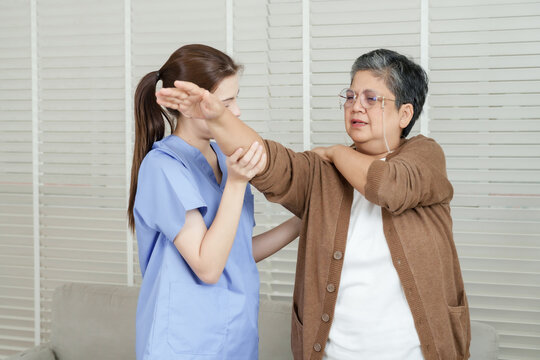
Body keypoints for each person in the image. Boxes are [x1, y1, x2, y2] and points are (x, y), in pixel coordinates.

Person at [156, 48, 471, 360]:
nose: (356, 106)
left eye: (371, 99)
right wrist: (217, 116)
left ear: (405, 113)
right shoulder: (322, 175)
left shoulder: (424, 157)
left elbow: (388, 186)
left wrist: (336, 152)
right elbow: (265, 161)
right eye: (350, 96)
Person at [128, 44, 301, 360]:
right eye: (226, 102)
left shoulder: (223, 157)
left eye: (236, 99)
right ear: (190, 105)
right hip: (182, 345)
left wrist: (302, 222)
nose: (235, 112)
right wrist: (236, 184)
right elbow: (208, 267)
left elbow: (235, 252)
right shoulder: (163, 167)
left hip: (236, 338)